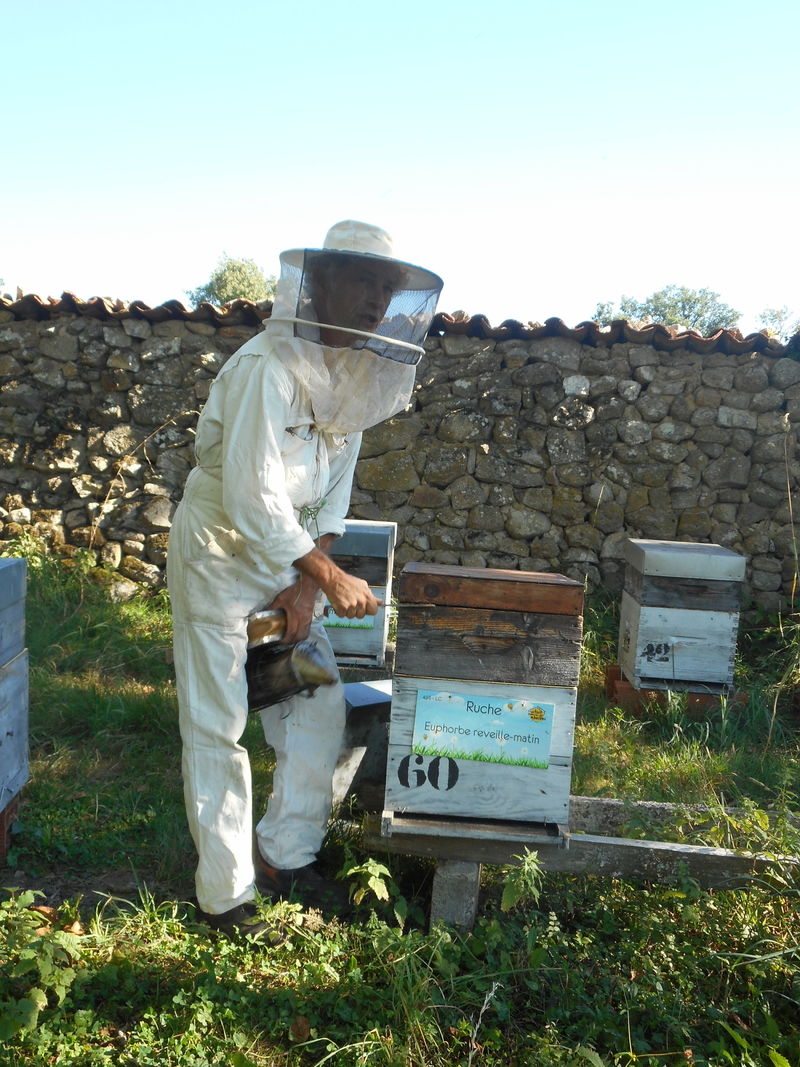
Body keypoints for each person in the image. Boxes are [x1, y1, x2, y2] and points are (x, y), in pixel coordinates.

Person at [166, 220, 443, 939]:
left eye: (388, 288)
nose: (377, 301)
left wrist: (307, 586)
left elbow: (331, 500)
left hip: (286, 572)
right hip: (221, 562)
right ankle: (225, 898)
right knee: (217, 725)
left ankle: (284, 856)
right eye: (363, 282)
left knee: (316, 708)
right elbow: (253, 498)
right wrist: (325, 574)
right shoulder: (267, 367)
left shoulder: (357, 378)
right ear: (317, 282)